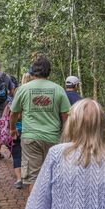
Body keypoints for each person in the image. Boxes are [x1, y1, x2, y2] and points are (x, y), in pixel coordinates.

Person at [10, 55, 71, 192]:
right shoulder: (58, 89)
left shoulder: (23, 89)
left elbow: (13, 113)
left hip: (31, 138)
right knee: (52, 177)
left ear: (33, 71)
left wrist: (12, 129)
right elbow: (66, 117)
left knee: (34, 179)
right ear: (49, 71)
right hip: (53, 139)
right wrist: (64, 137)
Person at [10, 72, 33, 189]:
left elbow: (13, 112)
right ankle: (26, 177)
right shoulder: (34, 92)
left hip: (18, 129)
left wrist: (12, 128)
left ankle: (19, 179)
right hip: (30, 130)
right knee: (28, 155)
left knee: (17, 154)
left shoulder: (19, 91)